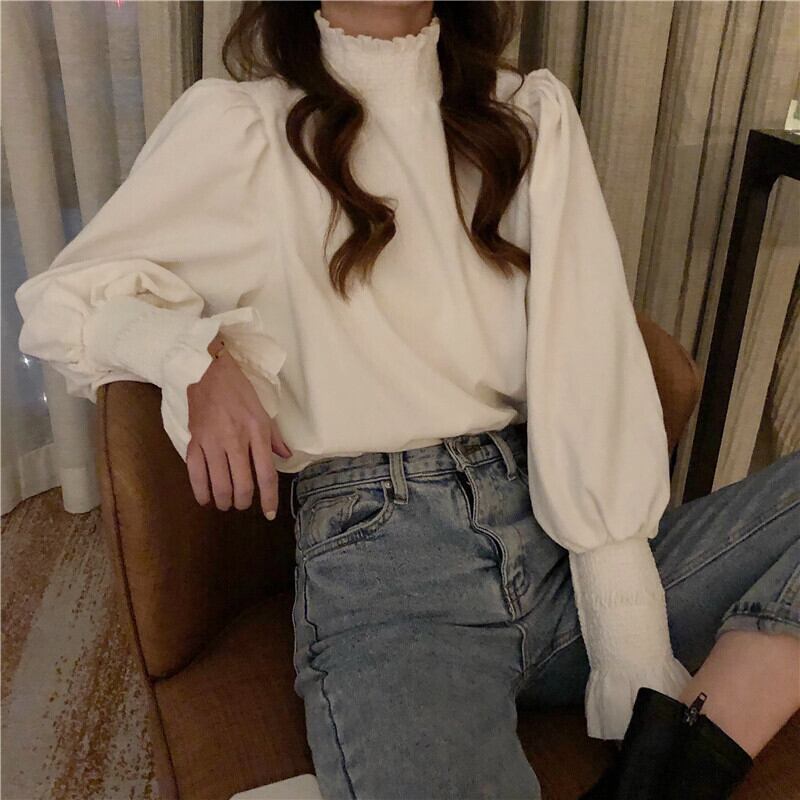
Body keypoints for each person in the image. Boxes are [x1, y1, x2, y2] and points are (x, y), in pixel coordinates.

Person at [14, 2, 799, 798]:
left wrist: (630, 638)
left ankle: (670, 772)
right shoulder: (245, 128)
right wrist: (193, 358)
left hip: (555, 531)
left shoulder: (524, 116)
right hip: (387, 565)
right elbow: (58, 301)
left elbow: (587, 352)